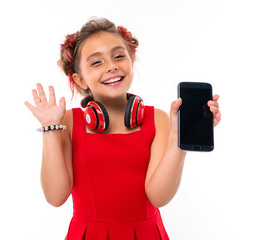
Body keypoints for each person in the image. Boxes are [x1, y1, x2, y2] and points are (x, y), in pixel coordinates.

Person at [24, 18, 221, 240]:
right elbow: (55, 196)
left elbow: (158, 197)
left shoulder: (158, 119)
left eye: (118, 56)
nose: (111, 66)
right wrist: (50, 128)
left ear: (131, 59)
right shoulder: (67, 122)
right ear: (80, 80)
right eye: (96, 62)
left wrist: (179, 138)